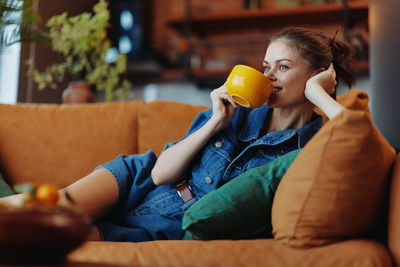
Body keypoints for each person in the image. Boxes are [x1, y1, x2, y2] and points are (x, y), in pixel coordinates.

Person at [1, 26, 355, 242]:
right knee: (48, 206)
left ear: (317, 74)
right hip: (138, 182)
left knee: (47, 236)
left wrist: (319, 95)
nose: (270, 77)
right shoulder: (236, 112)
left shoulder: (314, 144)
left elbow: (358, 141)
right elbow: (159, 174)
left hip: (171, 225)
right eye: (266, 67)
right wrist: (215, 122)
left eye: (284, 67)